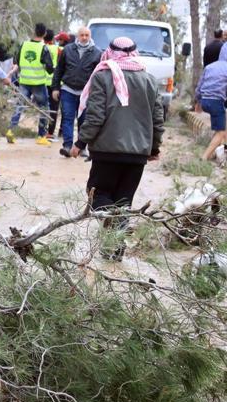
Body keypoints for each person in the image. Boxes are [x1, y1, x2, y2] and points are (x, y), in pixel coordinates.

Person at [71, 37, 164, 261]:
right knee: (124, 202)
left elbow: (95, 116)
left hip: (107, 151)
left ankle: (110, 226)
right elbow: (157, 119)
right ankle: (114, 252)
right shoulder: (150, 80)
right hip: (138, 155)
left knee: (97, 194)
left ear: (110, 52)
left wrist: (80, 142)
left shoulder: (102, 76)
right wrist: (153, 147)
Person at [52, 26, 102, 157]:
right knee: (67, 118)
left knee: (84, 120)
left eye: (87, 35)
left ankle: (81, 148)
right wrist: (56, 88)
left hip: (86, 93)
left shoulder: (97, 53)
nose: (84, 38)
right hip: (68, 90)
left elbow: (99, 75)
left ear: (90, 36)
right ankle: (67, 146)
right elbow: (59, 70)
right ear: (78, 36)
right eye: (82, 35)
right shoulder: (68, 50)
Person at [6, 22, 54, 145]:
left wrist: (12, 73)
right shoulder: (44, 48)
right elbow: (49, 68)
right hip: (38, 83)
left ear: (34, 32)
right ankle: (41, 136)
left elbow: (16, 61)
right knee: (44, 108)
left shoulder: (24, 45)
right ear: (44, 34)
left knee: (19, 106)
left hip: (24, 81)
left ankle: (11, 130)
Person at [43, 29, 62, 139]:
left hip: (42, 81)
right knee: (54, 108)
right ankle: (50, 132)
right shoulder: (58, 49)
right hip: (55, 83)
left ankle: (41, 130)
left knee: (43, 107)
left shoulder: (41, 47)